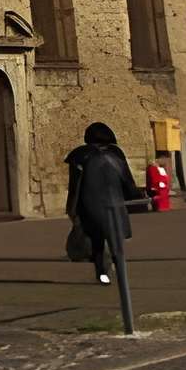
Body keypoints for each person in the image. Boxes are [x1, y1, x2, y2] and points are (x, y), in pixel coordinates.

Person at [66, 121, 137, 284]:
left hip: (90, 203)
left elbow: (74, 185)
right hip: (114, 201)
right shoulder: (116, 153)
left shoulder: (80, 155)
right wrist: (133, 195)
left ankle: (102, 274)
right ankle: (119, 271)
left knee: (97, 241)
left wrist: (72, 207)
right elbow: (126, 178)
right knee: (115, 241)